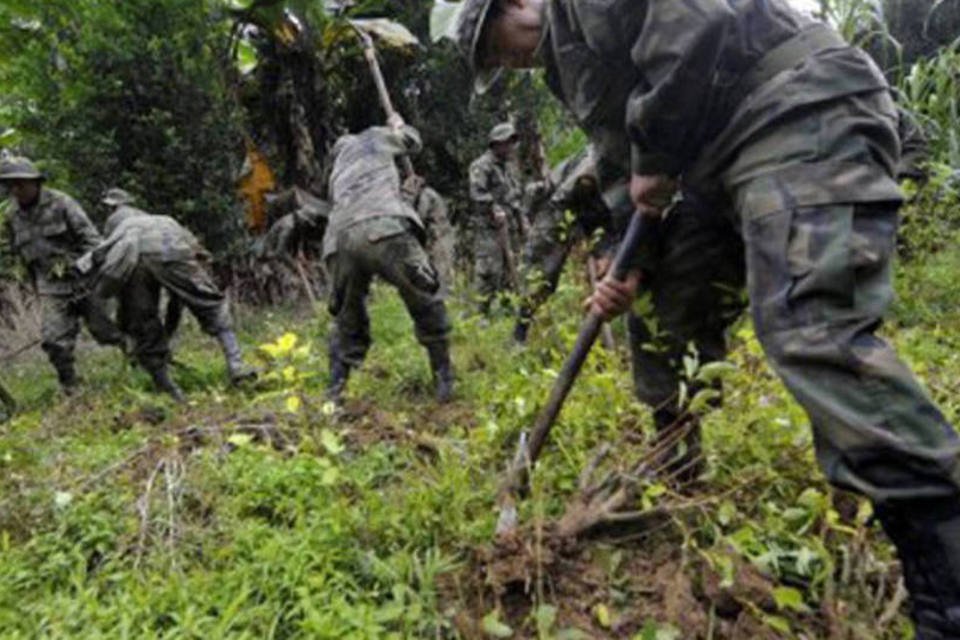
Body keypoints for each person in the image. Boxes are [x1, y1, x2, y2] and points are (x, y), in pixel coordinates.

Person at [457, 0, 960, 636]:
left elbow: (694, 17)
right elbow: (620, 158)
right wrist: (624, 256)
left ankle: (944, 572)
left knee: (810, 331)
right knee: (661, 308)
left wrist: (656, 156)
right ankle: (678, 470)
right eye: (494, 62)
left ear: (515, 3)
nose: (507, 61)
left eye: (496, 45)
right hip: (715, 161)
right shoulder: (566, 64)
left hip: (793, 103)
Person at [323, 115, 454, 403]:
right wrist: (398, 125)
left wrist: (404, 196)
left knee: (348, 318)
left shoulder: (339, 170)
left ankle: (334, 393)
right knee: (424, 296)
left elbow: (358, 207)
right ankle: (444, 379)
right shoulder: (374, 138)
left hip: (339, 241)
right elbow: (413, 141)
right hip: (384, 228)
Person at [81, 188, 254, 401]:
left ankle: (168, 387)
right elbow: (194, 259)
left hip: (133, 256)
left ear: (111, 207)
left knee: (143, 320)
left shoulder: (116, 222)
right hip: (170, 245)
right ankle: (236, 364)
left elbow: (108, 258)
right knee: (210, 304)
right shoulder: (163, 220)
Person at [0, 155, 125, 393]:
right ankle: (70, 385)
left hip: (85, 282)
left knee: (106, 332)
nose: (16, 190)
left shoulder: (62, 203)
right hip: (51, 287)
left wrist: (83, 267)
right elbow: (16, 253)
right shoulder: (12, 217)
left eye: (21, 183)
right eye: (11, 185)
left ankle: (140, 361)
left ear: (36, 183)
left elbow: (93, 241)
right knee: (53, 339)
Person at [512, 147, 614, 343]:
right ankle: (520, 333)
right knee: (544, 276)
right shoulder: (595, 159)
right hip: (563, 207)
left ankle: (604, 339)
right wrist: (599, 242)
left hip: (597, 208)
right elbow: (580, 188)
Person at [467, 122, 527, 313]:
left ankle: (508, 308)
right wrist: (493, 206)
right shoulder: (482, 166)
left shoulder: (508, 167)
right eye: (507, 143)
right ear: (496, 144)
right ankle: (480, 313)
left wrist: (521, 219)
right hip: (489, 228)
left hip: (509, 226)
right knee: (489, 270)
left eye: (512, 142)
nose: (511, 147)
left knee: (511, 268)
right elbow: (477, 193)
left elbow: (514, 195)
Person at [402, 175, 456, 297]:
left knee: (441, 267)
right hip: (436, 235)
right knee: (433, 268)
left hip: (439, 235)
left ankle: (443, 298)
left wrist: (408, 200)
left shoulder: (426, 195)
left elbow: (419, 216)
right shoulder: (428, 193)